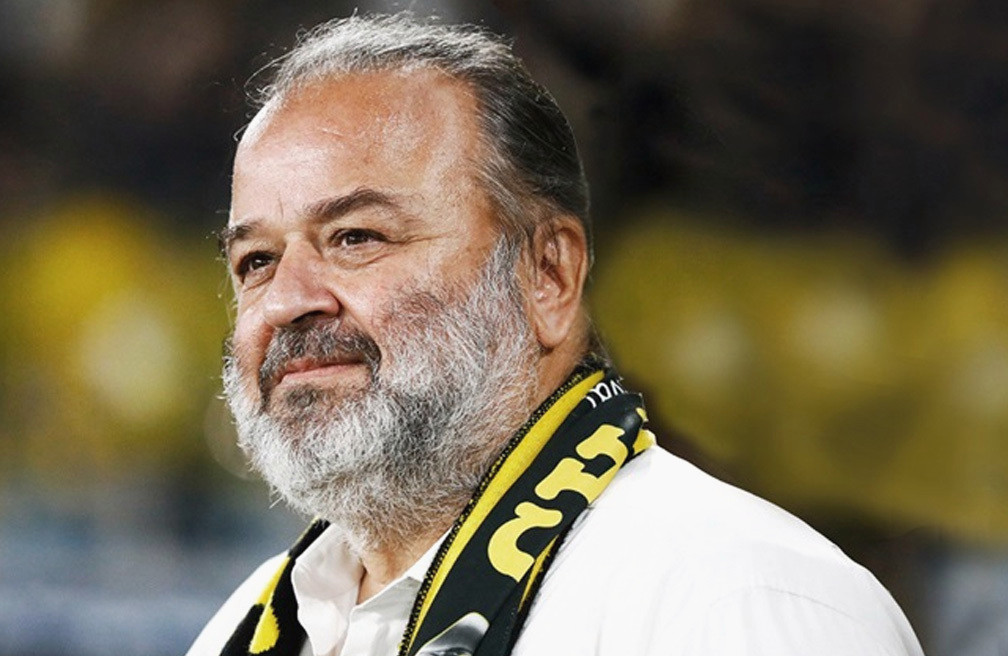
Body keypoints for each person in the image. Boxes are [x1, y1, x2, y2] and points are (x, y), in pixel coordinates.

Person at [188, 13, 924, 656]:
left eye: (356, 237)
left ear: (549, 274)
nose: (286, 301)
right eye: (256, 261)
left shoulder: (737, 602)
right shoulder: (248, 627)